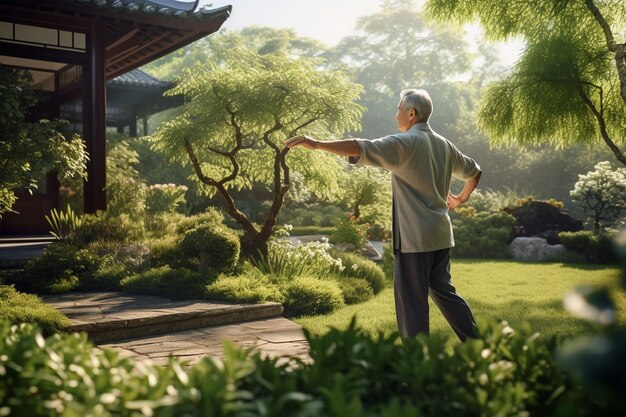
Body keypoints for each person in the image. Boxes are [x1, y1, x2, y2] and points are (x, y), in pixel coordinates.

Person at [284, 89, 482, 341]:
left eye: (398, 109)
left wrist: (317, 144)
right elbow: (475, 172)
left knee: (412, 304)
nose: (395, 114)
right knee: (446, 293)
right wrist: (460, 198)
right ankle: (479, 344)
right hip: (441, 235)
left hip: (414, 239)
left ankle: (417, 365)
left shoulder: (405, 143)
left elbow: (360, 146)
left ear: (411, 113)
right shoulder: (445, 145)